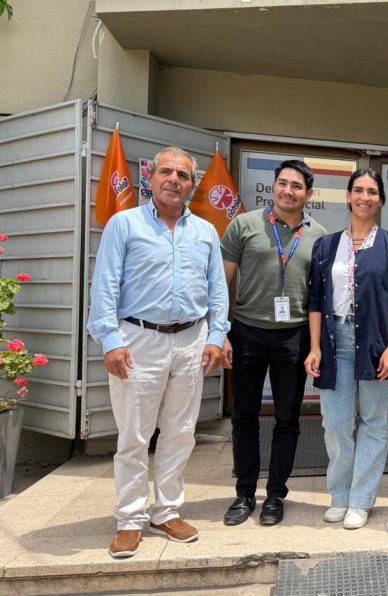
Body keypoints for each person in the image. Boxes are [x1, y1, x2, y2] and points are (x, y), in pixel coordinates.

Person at [87, 147, 229, 558]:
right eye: (166, 172)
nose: (174, 180)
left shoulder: (204, 232)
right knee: (134, 434)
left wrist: (217, 336)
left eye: (182, 175)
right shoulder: (124, 224)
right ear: (150, 177)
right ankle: (129, 519)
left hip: (190, 341)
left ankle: (166, 511)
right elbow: (105, 286)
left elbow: (218, 291)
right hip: (138, 341)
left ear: (192, 184)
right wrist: (111, 340)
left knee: (181, 431)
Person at [220, 160, 327, 526]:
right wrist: (221, 332)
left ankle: (276, 494)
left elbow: (319, 298)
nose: (288, 190)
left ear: (308, 194)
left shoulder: (320, 236)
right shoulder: (244, 225)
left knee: (287, 418)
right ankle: (244, 493)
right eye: (282, 183)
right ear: (274, 187)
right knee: (245, 416)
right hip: (247, 331)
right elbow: (223, 285)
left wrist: (316, 345)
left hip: (293, 335)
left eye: (297, 186)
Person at [304, 169, 388, 530]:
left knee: (374, 423)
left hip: (377, 341)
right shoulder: (327, 244)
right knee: (335, 423)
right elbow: (316, 301)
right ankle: (339, 495)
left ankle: (361, 500)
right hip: (335, 341)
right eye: (359, 190)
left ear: (380, 200)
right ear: (348, 196)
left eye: (373, 191)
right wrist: (315, 347)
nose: (365, 197)